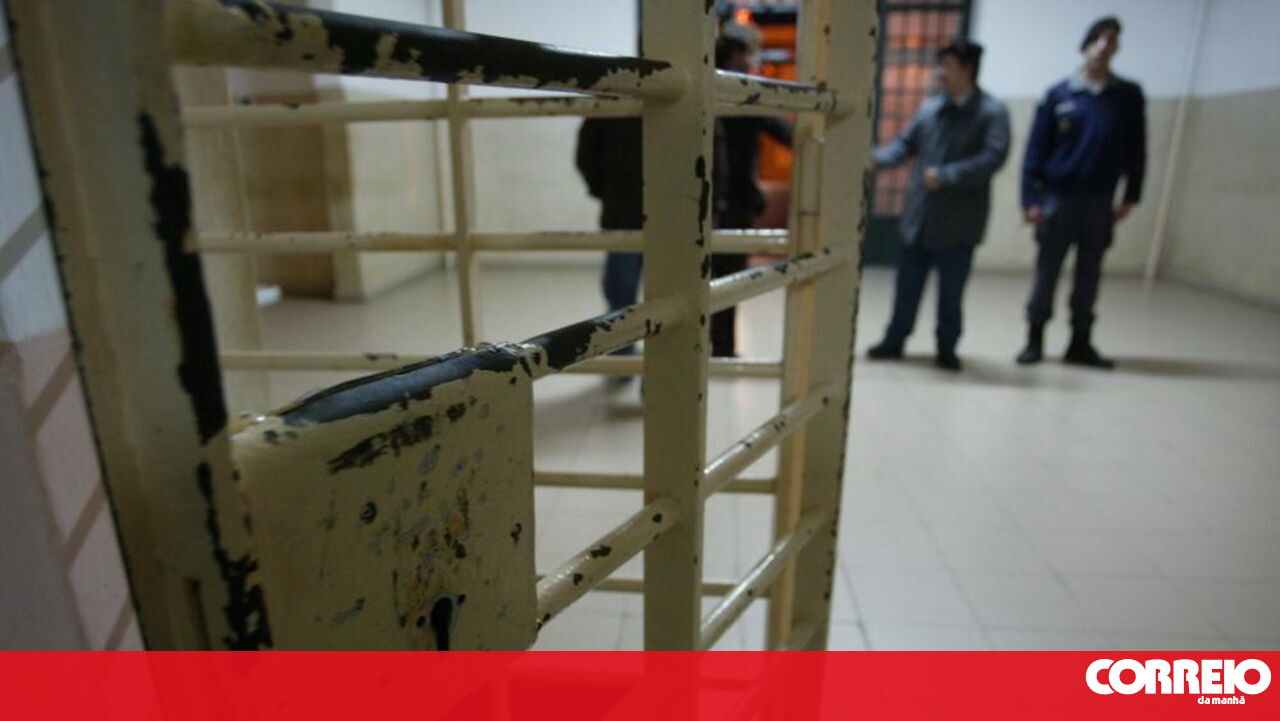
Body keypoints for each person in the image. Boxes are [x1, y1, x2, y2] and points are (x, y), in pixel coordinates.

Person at [866, 39, 1010, 371]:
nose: (939, 73)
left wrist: (948, 175)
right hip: (920, 217)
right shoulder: (930, 109)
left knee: (951, 293)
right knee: (907, 288)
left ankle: (947, 347)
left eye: (947, 66)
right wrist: (872, 160)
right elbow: (904, 145)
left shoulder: (991, 112)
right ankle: (894, 340)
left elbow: (994, 157)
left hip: (960, 223)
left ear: (967, 70)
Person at [1017, 16, 1146, 369]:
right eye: (1098, 39)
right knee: (1047, 273)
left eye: (1111, 40)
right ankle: (1034, 340)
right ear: (1085, 45)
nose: (1104, 47)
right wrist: (1030, 200)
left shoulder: (1126, 97)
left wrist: (1131, 195)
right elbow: (1034, 152)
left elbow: (1137, 149)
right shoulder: (1059, 95)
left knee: (1090, 275)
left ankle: (1080, 342)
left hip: (1100, 200)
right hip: (1058, 198)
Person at [712, 23, 792, 357]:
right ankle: (722, 347)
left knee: (699, 276)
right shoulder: (744, 92)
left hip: (701, 199)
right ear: (735, 53)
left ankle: (705, 345)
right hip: (732, 201)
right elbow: (785, 133)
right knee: (729, 278)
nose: (754, 59)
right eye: (750, 53)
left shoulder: (704, 87)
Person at [575, 116, 643, 359]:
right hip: (662, 214)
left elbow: (586, 156)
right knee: (667, 297)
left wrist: (608, 191)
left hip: (622, 212)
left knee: (622, 296)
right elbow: (586, 156)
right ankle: (634, 360)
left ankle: (623, 358)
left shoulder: (610, 104)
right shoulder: (675, 100)